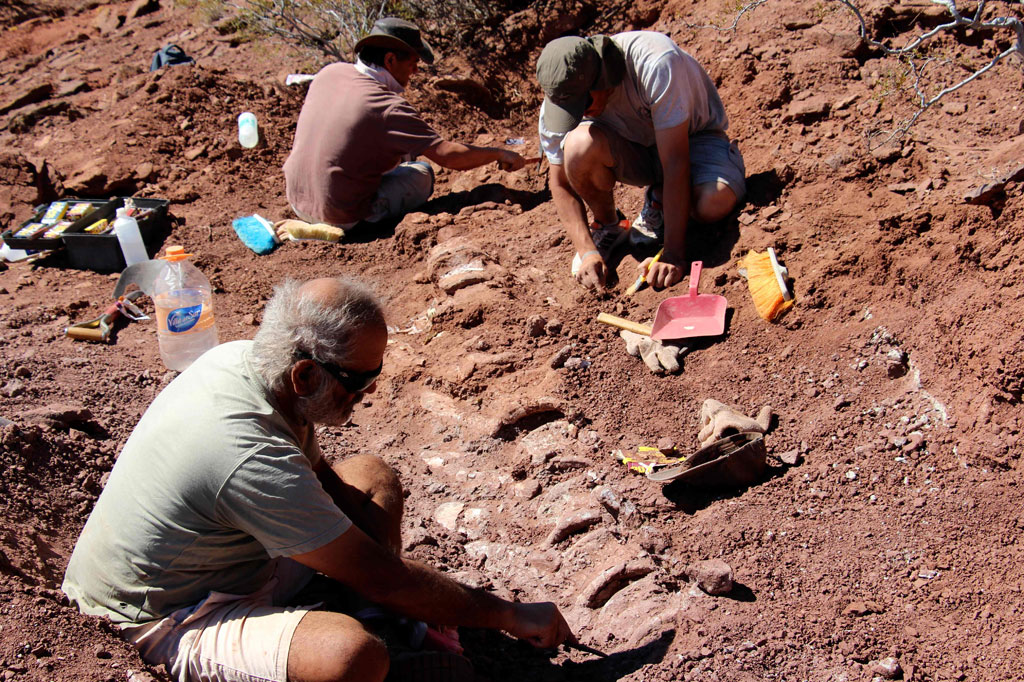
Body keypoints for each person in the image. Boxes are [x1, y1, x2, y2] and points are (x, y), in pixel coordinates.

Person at [62, 277, 574, 682]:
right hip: (164, 615)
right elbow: (384, 575)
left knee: (372, 477)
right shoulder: (245, 453)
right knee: (351, 657)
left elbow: (324, 479)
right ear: (305, 374)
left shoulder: (249, 366)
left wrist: (380, 575)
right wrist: (510, 614)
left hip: (235, 560)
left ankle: (373, 615)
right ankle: (373, 633)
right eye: (358, 382)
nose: (367, 393)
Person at [536, 32, 747, 290]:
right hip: (639, 149)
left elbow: (676, 162)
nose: (578, 114)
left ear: (602, 77)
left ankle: (662, 200)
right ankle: (609, 226)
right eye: (569, 111)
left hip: (696, 140)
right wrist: (586, 250)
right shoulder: (558, 101)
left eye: (584, 103)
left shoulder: (654, 62)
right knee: (578, 146)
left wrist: (672, 254)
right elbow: (559, 183)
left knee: (712, 204)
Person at [283, 18, 526, 238]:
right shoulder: (389, 107)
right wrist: (498, 153)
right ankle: (356, 223)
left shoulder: (330, 72)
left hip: (297, 199)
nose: (416, 71)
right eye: (413, 62)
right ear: (390, 60)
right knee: (421, 172)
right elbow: (448, 156)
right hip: (340, 215)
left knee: (397, 152)